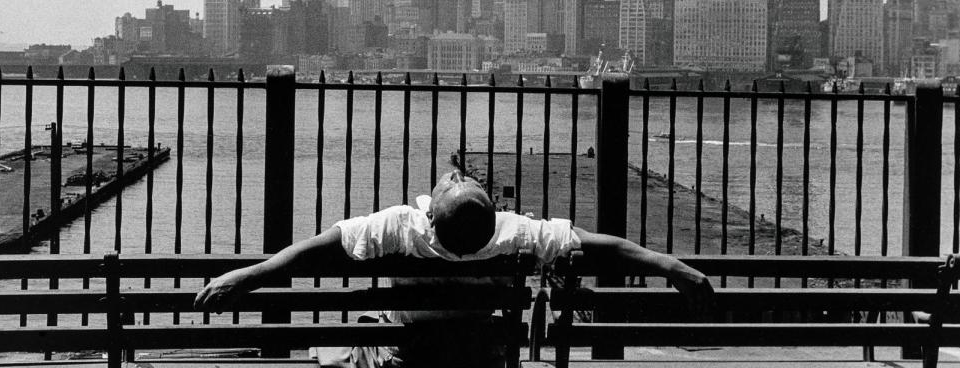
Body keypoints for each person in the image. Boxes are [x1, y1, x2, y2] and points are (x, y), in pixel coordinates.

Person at [194, 168, 714, 367]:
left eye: (449, 180)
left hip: (409, 360)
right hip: (480, 360)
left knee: (329, 346)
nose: (451, 174)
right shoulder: (513, 232)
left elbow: (318, 248)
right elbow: (601, 247)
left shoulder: (401, 226)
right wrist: (671, 265)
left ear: (432, 213)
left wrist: (248, 275)